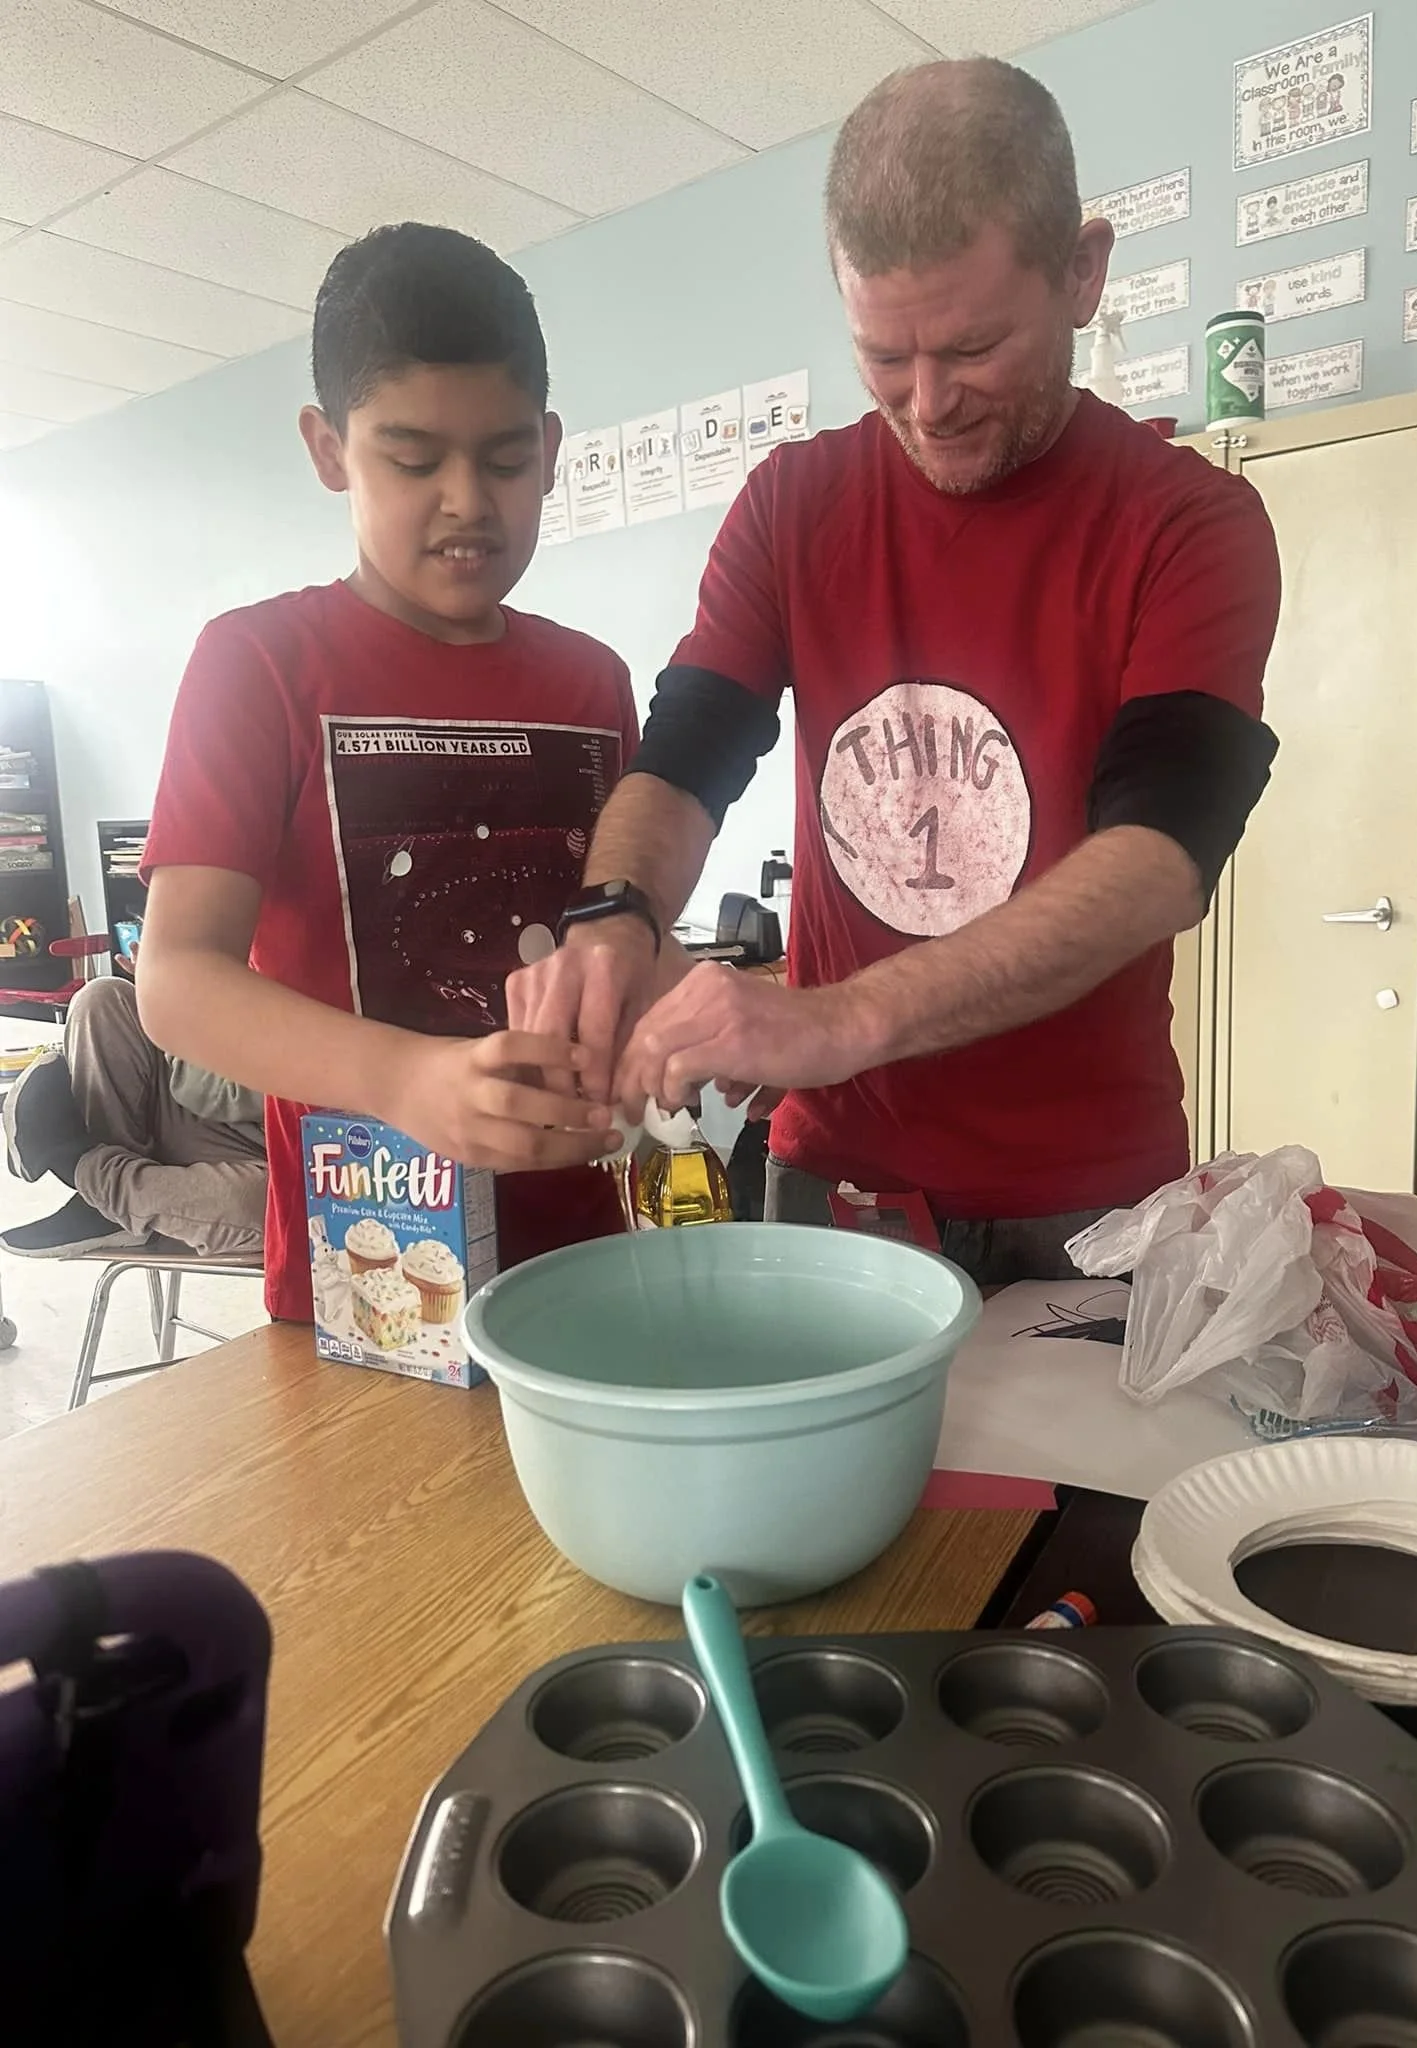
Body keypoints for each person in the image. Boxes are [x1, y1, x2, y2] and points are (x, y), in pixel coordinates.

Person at [506, 59, 1283, 1288]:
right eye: (883, 356)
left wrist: (830, 1019)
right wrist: (617, 913)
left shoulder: (1193, 522)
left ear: (1083, 272)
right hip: (842, 1180)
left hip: (1090, 1198)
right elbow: (690, 752)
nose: (928, 408)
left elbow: (1157, 860)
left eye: (973, 347)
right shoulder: (792, 505)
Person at [134, 225, 636, 1324]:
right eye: (413, 460)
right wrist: (407, 1079)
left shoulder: (591, 682)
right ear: (328, 449)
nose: (467, 499)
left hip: (581, 1260)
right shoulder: (258, 663)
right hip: (367, 1284)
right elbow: (174, 979)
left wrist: (680, 1006)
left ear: (549, 448)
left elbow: (613, 928)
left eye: (505, 458)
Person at [1, 977, 266, 1257]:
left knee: (266, 1205)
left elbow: (212, 1093)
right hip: (223, 1114)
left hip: (291, 1161)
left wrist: (174, 1006)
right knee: (103, 999)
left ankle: (75, 1162)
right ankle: (109, 1208)